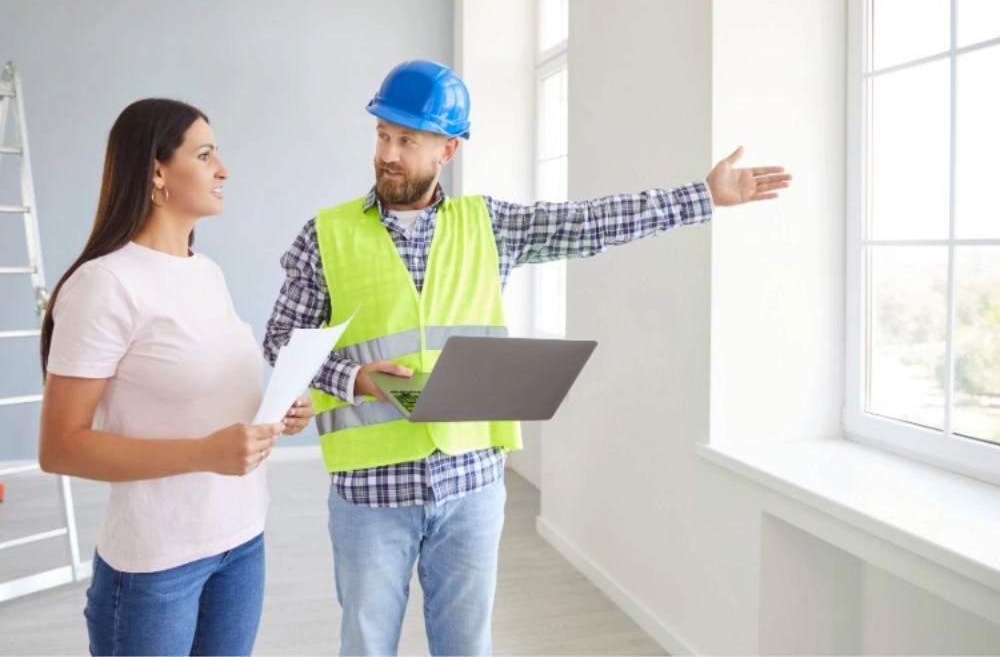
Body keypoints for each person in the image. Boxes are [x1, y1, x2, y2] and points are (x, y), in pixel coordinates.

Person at [263, 59, 791, 657]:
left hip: (471, 484)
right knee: (365, 644)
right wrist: (352, 376)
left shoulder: (489, 225)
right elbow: (280, 338)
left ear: (448, 151)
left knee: (467, 646)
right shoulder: (323, 235)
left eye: (408, 140)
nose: (389, 152)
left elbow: (589, 223)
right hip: (369, 488)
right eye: (383, 135)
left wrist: (702, 196)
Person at [37, 98, 314, 657]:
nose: (224, 170)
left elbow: (208, 397)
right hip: (156, 566)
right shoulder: (105, 285)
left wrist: (279, 410)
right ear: (157, 171)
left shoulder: (205, 271)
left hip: (241, 541)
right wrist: (204, 454)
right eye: (206, 154)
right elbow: (60, 448)